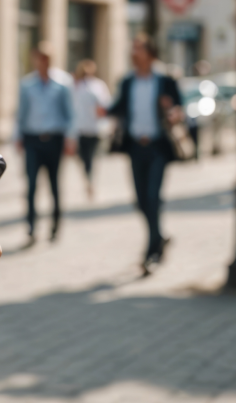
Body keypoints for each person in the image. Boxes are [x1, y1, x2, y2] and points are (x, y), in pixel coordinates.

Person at [107, 33, 183, 275]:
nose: (133, 53)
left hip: (158, 146)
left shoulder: (164, 79)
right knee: (141, 200)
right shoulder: (128, 81)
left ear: (150, 53)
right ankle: (159, 236)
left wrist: (173, 113)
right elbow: (118, 107)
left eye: (138, 48)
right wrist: (101, 110)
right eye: (133, 48)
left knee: (152, 196)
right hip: (135, 147)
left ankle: (152, 251)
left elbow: (179, 107)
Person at [14, 41, 74, 243]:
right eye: (40, 57)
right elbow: (20, 113)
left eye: (46, 58)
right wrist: (18, 137)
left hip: (54, 139)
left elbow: (70, 114)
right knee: (31, 185)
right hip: (33, 139)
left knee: (54, 184)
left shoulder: (63, 83)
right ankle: (31, 226)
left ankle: (56, 224)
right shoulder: (27, 84)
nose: (43, 62)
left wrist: (70, 138)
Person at [71, 59, 111, 201]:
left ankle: (91, 182)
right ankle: (87, 180)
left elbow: (105, 105)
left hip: (95, 128)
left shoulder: (99, 85)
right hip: (80, 128)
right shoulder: (76, 86)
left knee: (92, 158)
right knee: (83, 158)